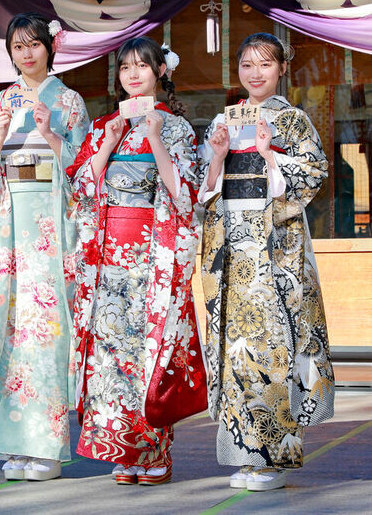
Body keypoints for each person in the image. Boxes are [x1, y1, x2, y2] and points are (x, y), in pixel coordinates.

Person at [200, 32, 335, 491]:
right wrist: (218, 155)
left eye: (265, 64)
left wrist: (267, 154)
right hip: (233, 246)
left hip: (272, 249)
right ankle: (244, 454)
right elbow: (206, 189)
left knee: (273, 348)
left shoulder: (293, 121)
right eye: (246, 65)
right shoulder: (224, 119)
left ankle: (273, 457)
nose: (255, 74)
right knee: (238, 353)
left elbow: (314, 172)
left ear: (281, 69)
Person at [67, 38, 205, 486]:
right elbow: (83, 190)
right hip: (109, 258)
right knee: (111, 358)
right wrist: (106, 145)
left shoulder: (176, 127)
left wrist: (154, 139)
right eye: (125, 67)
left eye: (142, 66)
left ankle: (155, 452)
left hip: (151, 255)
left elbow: (184, 193)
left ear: (160, 72)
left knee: (150, 354)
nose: (132, 74)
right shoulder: (107, 123)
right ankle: (122, 452)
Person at [0, 13, 88, 481]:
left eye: (34, 44)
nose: (27, 53)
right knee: (9, 326)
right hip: (8, 222)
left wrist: (53, 135)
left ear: (49, 49)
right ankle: (15, 444)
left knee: (47, 327)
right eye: (18, 47)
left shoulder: (70, 101)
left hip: (49, 224)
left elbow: (88, 166)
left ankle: (48, 446)